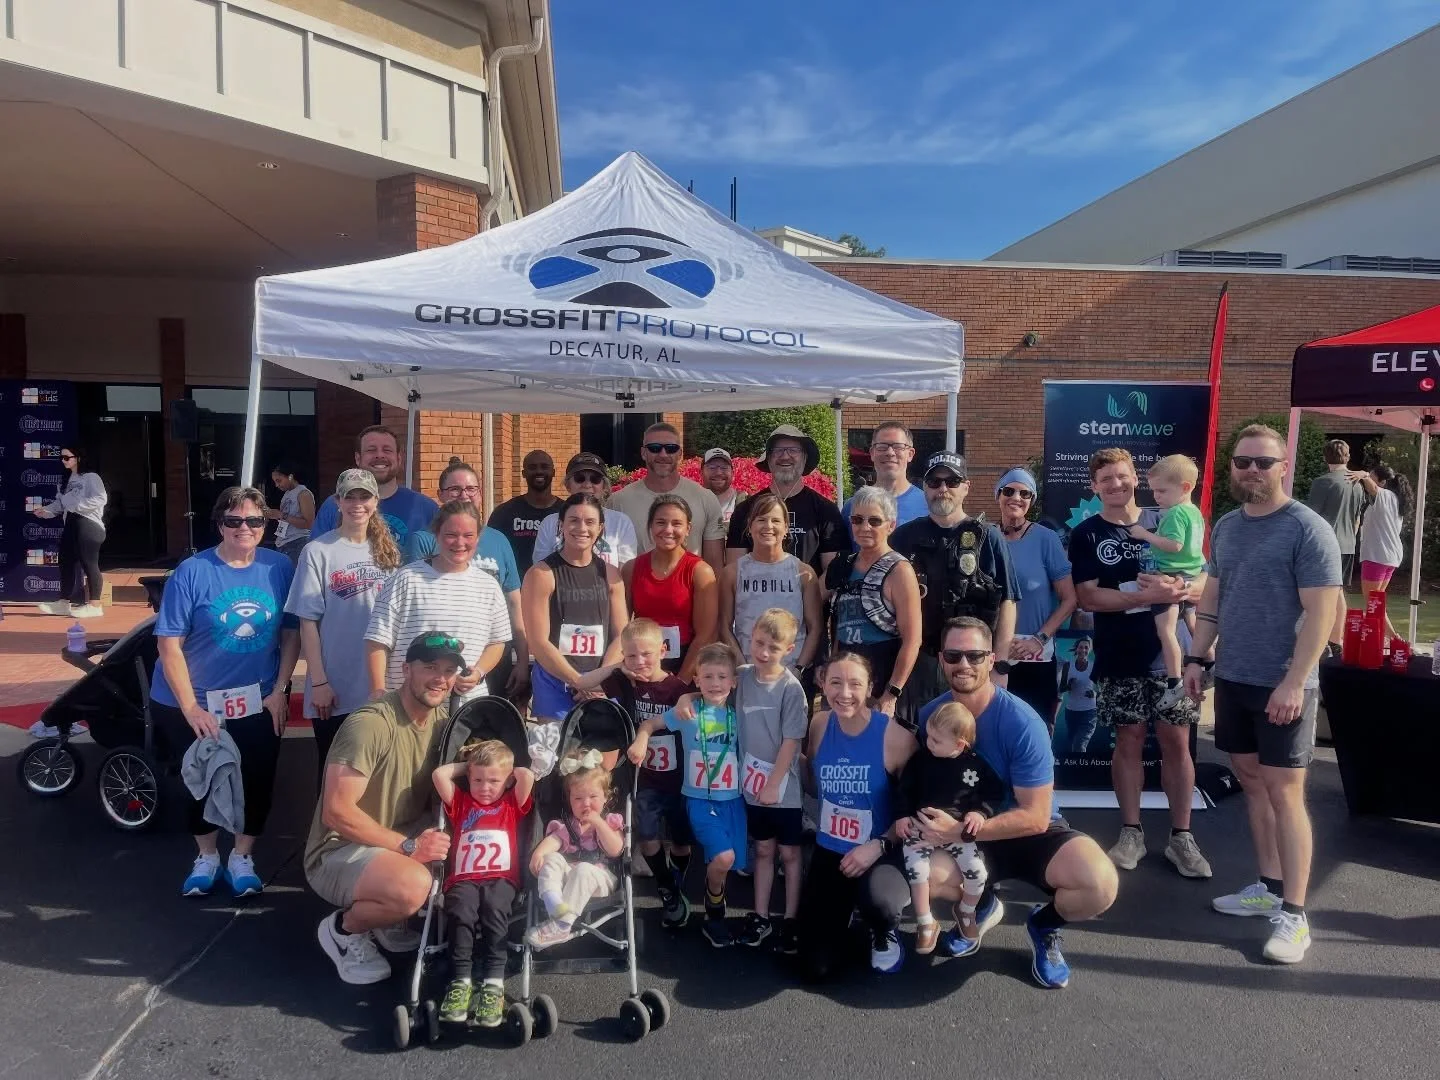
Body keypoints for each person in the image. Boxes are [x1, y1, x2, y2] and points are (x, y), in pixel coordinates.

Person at [864, 618, 1117, 987]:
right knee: (924, 875)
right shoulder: (930, 716)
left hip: (1025, 830)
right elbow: (919, 783)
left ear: (991, 659)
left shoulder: (1021, 722)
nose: (963, 664)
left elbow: (1035, 816)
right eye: (953, 655)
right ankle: (982, 905)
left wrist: (958, 830)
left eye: (974, 655)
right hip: (964, 834)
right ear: (940, 659)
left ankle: (1044, 926)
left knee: (1099, 884)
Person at [1186, 426, 1341, 964]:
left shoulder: (1306, 528)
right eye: (1242, 462)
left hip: (1285, 684)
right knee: (1252, 783)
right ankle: (1269, 887)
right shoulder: (1227, 527)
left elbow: (1323, 612)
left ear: (1283, 467)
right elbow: (1214, 594)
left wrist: (1295, 681)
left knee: (1285, 794)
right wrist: (1196, 656)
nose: (1251, 470)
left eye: (1262, 462)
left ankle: (1295, 916)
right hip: (1234, 677)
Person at [1067, 447, 1211, 879]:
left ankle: (1181, 837)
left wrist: (1184, 590)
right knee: (1127, 741)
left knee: (1177, 743)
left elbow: (1205, 576)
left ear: (1135, 478)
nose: (1116, 484)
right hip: (1118, 653)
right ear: (1094, 487)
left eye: (1123, 476)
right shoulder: (1087, 533)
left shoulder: (1168, 516)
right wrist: (1146, 597)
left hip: (1171, 657)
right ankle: (1131, 832)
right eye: (1105, 479)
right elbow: (1089, 597)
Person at [151, 486, 300, 898]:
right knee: (201, 778)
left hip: (258, 697)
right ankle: (206, 855)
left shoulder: (278, 568)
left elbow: (291, 634)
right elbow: (169, 644)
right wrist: (190, 707)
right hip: (194, 699)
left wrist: (280, 690)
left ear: (265, 525)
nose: (245, 528)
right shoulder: (193, 571)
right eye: (234, 520)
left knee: (256, 777)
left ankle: (242, 856)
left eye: (254, 520)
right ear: (220, 524)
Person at [306, 634, 462, 985]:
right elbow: (336, 812)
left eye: (449, 670)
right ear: (406, 669)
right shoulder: (371, 724)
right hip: (338, 849)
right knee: (412, 887)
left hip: (395, 837)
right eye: (430, 667)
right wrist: (409, 848)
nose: (441, 678)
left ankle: (385, 917)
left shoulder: (442, 722)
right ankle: (344, 932)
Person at [794, 652, 916, 980]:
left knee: (880, 905)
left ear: (870, 688)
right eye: (835, 682)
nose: (843, 693)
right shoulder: (820, 724)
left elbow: (916, 808)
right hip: (831, 848)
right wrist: (789, 754)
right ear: (823, 684)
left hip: (880, 850)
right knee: (815, 967)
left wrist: (879, 845)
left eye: (854, 684)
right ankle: (841, 907)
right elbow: (815, 787)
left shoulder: (895, 738)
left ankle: (883, 928)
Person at [285, 469, 403, 790]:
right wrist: (320, 681)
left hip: (381, 688)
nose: (357, 503)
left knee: (378, 779)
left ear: (375, 502)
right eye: (349, 496)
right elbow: (307, 622)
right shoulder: (318, 551)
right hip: (334, 689)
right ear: (337, 501)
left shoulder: (388, 553)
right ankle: (328, 841)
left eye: (364, 496)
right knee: (334, 781)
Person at [628, 642, 748, 948]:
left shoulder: (739, 714)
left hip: (733, 801)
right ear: (696, 679)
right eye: (707, 677)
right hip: (699, 799)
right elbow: (650, 723)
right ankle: (714, 911)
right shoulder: (688, 712)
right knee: (724, 857)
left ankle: (707, 909)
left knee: (730, 863)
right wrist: (642, 740)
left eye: (722, 677)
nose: (715, 684)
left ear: (733, 682)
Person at [891, 452, 1021, 710]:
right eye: (934, 482)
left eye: (952, 482)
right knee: (921, 736)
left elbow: (1008, 601)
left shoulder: (988, 536)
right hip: (919, 662)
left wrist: (1001, 666)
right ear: (924, 487)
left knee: (971, 737)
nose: (943, 489)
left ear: (966, 487)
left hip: (971, 663)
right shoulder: (903, 538)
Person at [595, 619, 693, 926]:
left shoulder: (678, 689)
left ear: (663, 650)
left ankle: (676, 880)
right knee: (648, 838)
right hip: (645, 779)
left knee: (681, 841)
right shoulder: (625, 682)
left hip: (678, 780)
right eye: (631, 656)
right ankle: (666, 886)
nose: (640, 662)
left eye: (647, 654)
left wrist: (692, 696)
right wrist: (615, 668)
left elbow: (698, 703)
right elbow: (584, 682)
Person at [364, 501, 511, 705]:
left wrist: (478, 672)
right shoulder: (406, 578)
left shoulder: (489, 586)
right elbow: (378, 640)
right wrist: (378, 691)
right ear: (436, 535)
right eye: (451, 535)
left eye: (468, 535)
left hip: (465, 707)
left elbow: (497, 641)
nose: (460, 543)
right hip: (407, 705)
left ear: (477, 538)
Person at [432, 738, 536, 1025]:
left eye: (493, 780)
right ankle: (461, 980)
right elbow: (439, 774)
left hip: (501, 878)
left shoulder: (509, 805)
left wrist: (507, 770)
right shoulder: (462, 803)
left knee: (494, 911)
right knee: (461, 913)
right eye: (477, 780)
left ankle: (493, 983)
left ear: (506, 781)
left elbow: (526, 776)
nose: (484, 787)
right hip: (464, 878)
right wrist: (469, 764)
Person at [523, 493, 629, 774]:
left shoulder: (612, 574)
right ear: (561, 525)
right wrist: (578, 681)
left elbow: (621, 634)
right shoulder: (541, 573)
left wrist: (599, 683)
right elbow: (538, 640)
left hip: (602, 685)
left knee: (601, 774)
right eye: (573, 520)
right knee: (561, 770)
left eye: (590, 522)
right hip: (556, 684)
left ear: (601, 528)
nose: (581, 528)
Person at [407, 459, 528, 700]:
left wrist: (522, 661)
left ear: (480, 494)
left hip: (493, 654)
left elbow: (514, 603)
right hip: (443, 659)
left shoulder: (499, 540)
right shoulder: (424, 540)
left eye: (471, 489)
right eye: (455, 489)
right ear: (440, 495)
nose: (464, 495)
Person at [894, 700, 1005, 954]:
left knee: (978, 874)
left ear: (959, 744)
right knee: (916, 870)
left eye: (936, 740)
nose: (928, 743)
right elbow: (904, 790)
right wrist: (901, 815)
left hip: (958, 833)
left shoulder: (975, 765)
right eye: (928, 736)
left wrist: (980, 812)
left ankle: (966, 910)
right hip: (920, 827)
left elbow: (994, 793)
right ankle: (925, 921)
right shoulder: (921, 760)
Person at [732, 609, 809, 953]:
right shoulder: (743, 677)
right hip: (751, 785)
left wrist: (774, 784)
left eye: (773, 648)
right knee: (763, 850)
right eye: (759, 643)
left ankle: (792, 918)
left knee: (790, 854)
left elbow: (791, 741)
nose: (763, 652)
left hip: (783, 789)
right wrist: (689, 697)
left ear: (789, 650)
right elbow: (710, 681)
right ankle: (760, 915)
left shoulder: (791, 690)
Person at [824, 485, 923, 721]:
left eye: (874, 521)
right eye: (857, 519)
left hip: (883, 675)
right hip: (846, 676)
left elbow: (912, 639)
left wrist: (892, 692)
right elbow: (836, 622)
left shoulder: (899, 570)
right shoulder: (844, 565)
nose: (864, 527)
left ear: (891, 525)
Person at [995, 468, 1076, 728]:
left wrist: (1039, 639)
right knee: (993, 729)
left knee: (1035, 731)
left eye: (1025, 493)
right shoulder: (984, 536)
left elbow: (1069, 599)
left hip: (1034, 654)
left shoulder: (1046, 539)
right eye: (1009, 491)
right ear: (998, 495)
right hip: (993, 654)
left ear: (1032, 499)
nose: (1016, 498)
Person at [1125, 455, 1207, 712]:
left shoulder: (1174, 514)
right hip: (1191, 573)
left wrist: (1144, 533)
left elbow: (1174, 545)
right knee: (1193, 624)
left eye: (1162, 491)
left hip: (1168, 573)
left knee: (1166, 631)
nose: (1156, 496)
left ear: (1185, 487)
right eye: (1154, 490)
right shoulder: (1195, 512)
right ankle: (1211, 664)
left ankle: (1174, 682)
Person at [525, 748, 625, 949]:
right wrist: (539, 853)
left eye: (593, 797)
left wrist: (598, 823)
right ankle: (554, 903)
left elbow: (615, 850)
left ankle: (562, 925)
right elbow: (552, 842)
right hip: (568, 882)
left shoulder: (609, 822)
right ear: (570, 801)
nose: (585, 803)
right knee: (552, 858)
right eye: (578, 799)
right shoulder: (567, 825)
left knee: (583, 870)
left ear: (605, 797)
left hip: (600, 879)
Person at [726, 424, 847, 576]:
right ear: (769, 459)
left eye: (793, 450)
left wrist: (809, 598)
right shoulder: (746, 509)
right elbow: (734, 571)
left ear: (804, 458)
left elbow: (832, 572)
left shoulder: (826, 510)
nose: (785, 456)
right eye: (778, 451)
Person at [720, 493, 821, 672]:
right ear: (750, 526)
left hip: (791, 674)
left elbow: (815, 627)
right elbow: (724, 626)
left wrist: (799, 669)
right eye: (761, 520)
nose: (768, 526)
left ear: (786, 527)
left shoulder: (804, 573)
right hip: (747, 673)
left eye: (775, 520)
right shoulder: (732, 573)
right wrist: (742, 667)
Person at [623, 494, 718, 680]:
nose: (668, 530)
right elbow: (621, 626)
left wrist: (679, 683)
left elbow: (706, 635)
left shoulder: (700, 571)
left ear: (688, 528)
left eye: (676, 524)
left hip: (686, 665)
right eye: (661, 522)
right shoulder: (631, 568)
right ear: (650, 526)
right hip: (641, 668)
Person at [607, 422, 727, 569]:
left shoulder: (705, 498)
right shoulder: (618, 501)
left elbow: (715, 565)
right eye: (654, 448)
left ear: (680, 454)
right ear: (643, 453)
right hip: (635, 590)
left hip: (690, 590)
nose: (663, 455)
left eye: (671, 449)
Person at [311, 425, 438, 548]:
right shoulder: (335, 505)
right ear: (358, 458)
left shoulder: (426, 508)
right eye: (371, 450)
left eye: (387, 450)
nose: (380, 455)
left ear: (399, 458)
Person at [1305, 439, 1367, 653]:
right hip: (1348, 543)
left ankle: (1328, 640)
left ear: (1325, 457)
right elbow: (1358, 518)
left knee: (1324, 594)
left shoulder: (1322, 482)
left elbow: (1311, 518)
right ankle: (1335, 640)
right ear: (1347, 457)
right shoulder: (1357, 483)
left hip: (1325, 545)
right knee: (1337, 591)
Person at [33, 444, 107, 619]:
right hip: (71, 523)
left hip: (88, 523)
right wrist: (46, 511)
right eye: (62, 458)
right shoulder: (65, 481)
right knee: (65, 561)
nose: (63, 461)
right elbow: (60, 505)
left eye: (67, 457)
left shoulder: (91, 477)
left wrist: (77, 507)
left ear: (78, 458)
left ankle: (95, 605)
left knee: (89, 562)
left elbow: (100, 498)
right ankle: (63, 602)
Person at [533, 452, 638, 568]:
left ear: (604, 486)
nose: (587, 485)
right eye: (579, 478)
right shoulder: (549, 523)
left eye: (595, 479)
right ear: (568, 485)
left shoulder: (620, 522)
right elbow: (540, 570)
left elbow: (626, 573)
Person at [842, 422, 927, 540]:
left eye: (898, 446)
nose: (890, 453)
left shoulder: (928, 505)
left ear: (910, 454)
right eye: (882, 446)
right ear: (872, 453)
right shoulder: (852, 506)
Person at [1357, 463, 1411, 640]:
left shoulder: (1386, 496)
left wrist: (1363, 475)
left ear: (1382, 482)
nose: (1369, 481)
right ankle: (1376, 638)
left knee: (1372, 602)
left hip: (1377, 555)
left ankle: (1395, 639)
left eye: (1373, 477)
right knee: (1375, 601)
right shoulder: (1395, 500)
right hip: (1388, 556)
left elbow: (1372, 488)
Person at [488, 450, 563, 571]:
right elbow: (491, 552)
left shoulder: (566, 513)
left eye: (544, 467)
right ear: (523, 473)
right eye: (532, 467)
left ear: (553, 472)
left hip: (557, 586)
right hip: (515, 587)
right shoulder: (503, 513)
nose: (539, 471)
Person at [266, 463, 315, 565]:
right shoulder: (287, 494)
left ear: (290, 477)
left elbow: (309, 524)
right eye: (275, 482)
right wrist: (273, 515)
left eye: (279, 481)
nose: (277, 485)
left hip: (298, 542)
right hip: (283, 543)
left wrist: (281, 515)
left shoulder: (303, 493)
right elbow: (286, 519)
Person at [1059, 637, 1098, 753]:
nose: (1083, 650)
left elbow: (1104, 688)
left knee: (1079, 745)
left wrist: (1095, 693)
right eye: (1081, 647)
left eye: (1086, 648)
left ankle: (1081, 770)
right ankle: (1075, 769)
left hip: (1089, 712)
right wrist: (1069, 685)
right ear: (1076, 649)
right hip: (1071, 712)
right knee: (1073, 743)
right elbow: (1061, 688)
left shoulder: (1094, 666)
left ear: (1090, 650)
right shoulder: (1067, 665)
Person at [702, 447, 739, 530]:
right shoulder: (689, 502)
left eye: (724, 467)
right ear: (701, 471)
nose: (718, 472)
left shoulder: (745, 503)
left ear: (732, 473)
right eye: (712, 467)